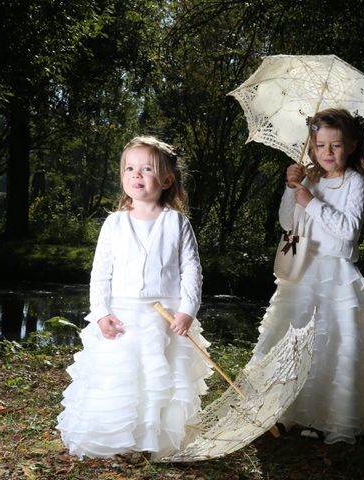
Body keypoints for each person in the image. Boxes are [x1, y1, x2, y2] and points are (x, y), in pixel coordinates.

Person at [252, 108, 364, 445]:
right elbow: (288, 222)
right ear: (311, 146)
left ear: (351, 145)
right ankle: (291, 410)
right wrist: (292, 188)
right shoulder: (309, 179)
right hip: (302, 269)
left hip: (334, 274)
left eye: (335, 145)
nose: (327, 153)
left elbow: (348, 232)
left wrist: (312, 203)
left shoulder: (355, 182)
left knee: (333, 344)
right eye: (320, 145)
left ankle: (332, 415)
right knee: (294, 338)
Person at [57, 136, 212, 459]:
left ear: (167, 179)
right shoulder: (114, 224)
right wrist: (100, 313)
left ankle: (153, 440)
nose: (136, 175)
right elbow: (100, 274)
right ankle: (119, 440)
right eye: (129, 168)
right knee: (122, 380)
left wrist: (187, 311)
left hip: (166, 317)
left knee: (159, 380)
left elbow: (192, 271)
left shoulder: (177, 223)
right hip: (123, 316)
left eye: (146, 169)